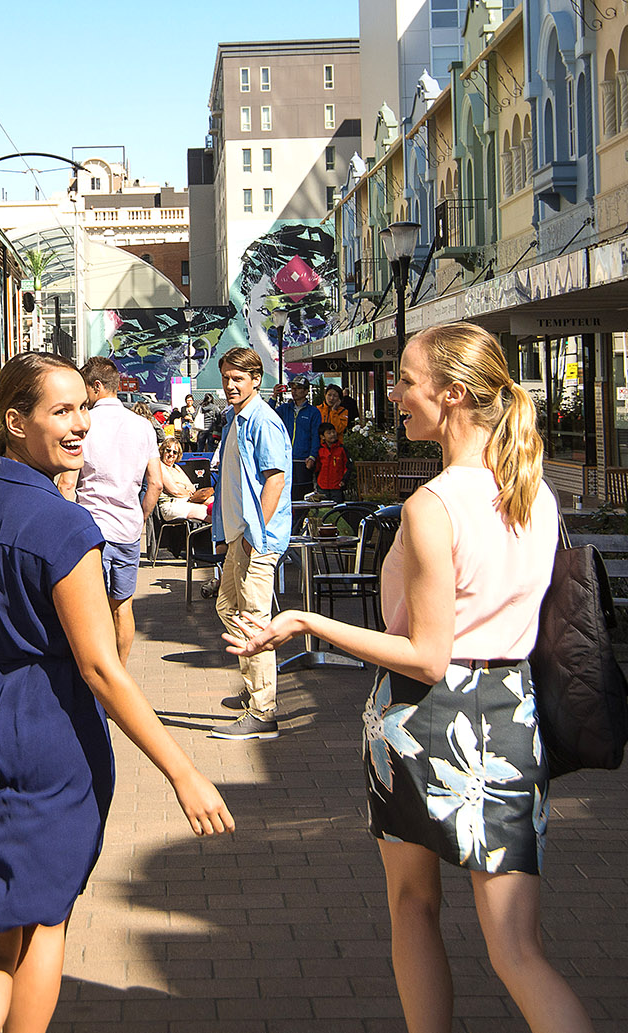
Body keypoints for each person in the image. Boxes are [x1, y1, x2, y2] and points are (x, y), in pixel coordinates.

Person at [226, 322, 592, 1032]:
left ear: (451, 394)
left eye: (405, 380)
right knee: (519, 949)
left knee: (412, 906)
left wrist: (306, 621)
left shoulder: (433, 506)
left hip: (424, 717)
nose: (393, 395)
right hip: (511, 717)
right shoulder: (534, 495)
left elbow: (425, 654)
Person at [0, 353, 234, 1033]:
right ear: (16, 421)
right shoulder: (64, 527)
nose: (81, 423)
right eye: (62, 411)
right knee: (44, 922)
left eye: (83, 407)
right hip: (50, 733)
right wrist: (184, 772)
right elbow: (100, 669)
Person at [210, 346, 292, 740]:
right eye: (226, 378)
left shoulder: (262, 420)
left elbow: (275, 479)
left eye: (238, 378)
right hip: (240, 536)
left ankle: (263, 709)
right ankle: (255, 686)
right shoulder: (236, 419)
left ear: (256, 380)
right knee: (228, 607)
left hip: (255, 540)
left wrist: (253, 538)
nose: (230, 385)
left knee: (253, 619)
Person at [76, 357, 159, 665]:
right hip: (128, 530)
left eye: (85, 389)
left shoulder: (84, 424)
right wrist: (141, 516)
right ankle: (120, 670)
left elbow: (68, 483)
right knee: (122, 607)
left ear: (96, 386)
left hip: (91, 529)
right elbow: (156, 483)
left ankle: (96, 672)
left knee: (91, 609)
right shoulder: (143, 426)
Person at [151, 439, 211, 523]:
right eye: (168, 450)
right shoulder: (160, 466)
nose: (171, 454)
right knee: (206, 511)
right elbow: (174, 490)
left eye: (175, 452)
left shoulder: (176, 468)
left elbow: (192, 487)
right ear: (162, 451)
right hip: (171, 505)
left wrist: (180, 487)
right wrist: (185, 489)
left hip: (185, 500)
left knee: (212, 502)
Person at [284, 381, 325, 500]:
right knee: (287, 493)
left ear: (306, 391)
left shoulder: (313, 412)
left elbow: (315, 435)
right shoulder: (286, 408)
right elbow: (268, 414)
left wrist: (312, 456)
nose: (294, 391)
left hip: (303, 460)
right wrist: (274, 397)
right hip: (286, 459)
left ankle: (303, 513)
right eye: (292, 388)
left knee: (303, 494)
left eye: (298, 388)